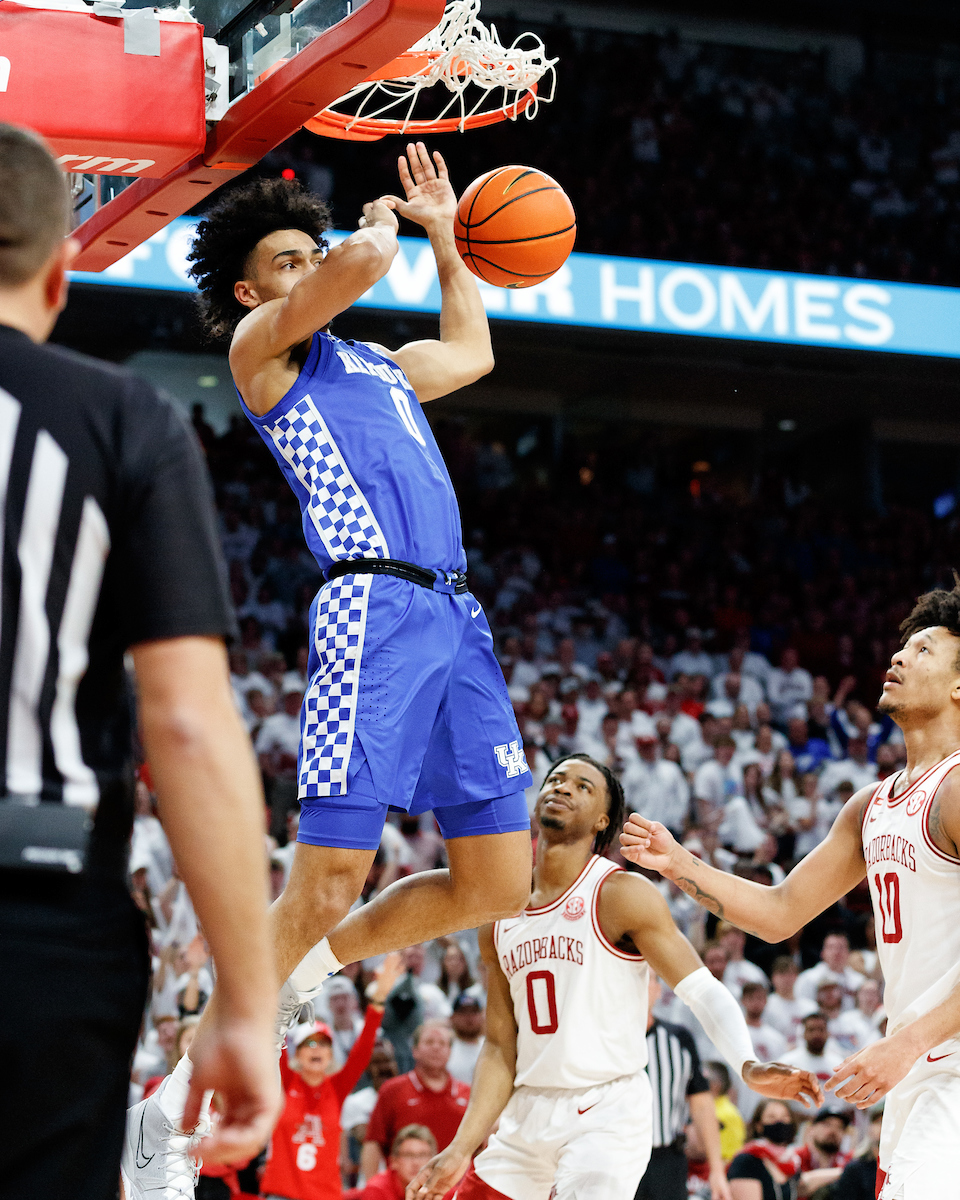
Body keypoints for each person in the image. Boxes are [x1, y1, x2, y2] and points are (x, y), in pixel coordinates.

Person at [135, 144, 534, 1187]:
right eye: (285, 255)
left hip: (457, 615)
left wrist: (448, 238)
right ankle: (169, 1115)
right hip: (372, 606)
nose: (305, 263)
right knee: (323, 882)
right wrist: (359, 244)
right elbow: (348, 273)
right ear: (249, 286)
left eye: (309, 249)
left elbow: (474, 351)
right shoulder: (264, 354)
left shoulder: (382, 365)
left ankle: (309, 968)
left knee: (498, 879)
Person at [0, 125, 278, 1200]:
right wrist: (245, 1007)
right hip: (37, 920)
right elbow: (191, 726)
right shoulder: (123, 420)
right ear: (62, 273)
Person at [622, 577, 960, 1199]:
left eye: (922, 652)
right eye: (901, 647)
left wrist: (905, 1042)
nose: (898, 657)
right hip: (919, 1068)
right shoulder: (872, 806)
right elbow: (780, 914)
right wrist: (679, 863)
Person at [408, 754, 822, 1200]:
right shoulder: (500, 913)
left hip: (606, 1109)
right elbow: (499, 1046)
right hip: (528, 1108)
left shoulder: (620, 894)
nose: (563, 788)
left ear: (603, 820)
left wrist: (747, 1061)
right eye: (556, 779)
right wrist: (461, 1147)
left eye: (583, 786)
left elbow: (700, 989)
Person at [259, 954, 402, 1200]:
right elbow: (274, 1035)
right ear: (298, 1054)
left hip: (324, 1195)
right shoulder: (286, 1081)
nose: (317, 1049)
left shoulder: (336, 1089)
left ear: (331, 1054)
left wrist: (378, 1000)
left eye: (324, 1044)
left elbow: (361, 1053)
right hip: (281, 1194)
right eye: (309, 1044)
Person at [636, 975, 732, 1200]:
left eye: (647, 978)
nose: (640, 985)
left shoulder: (679, 1039)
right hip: (617, 1158)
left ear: (659, 990)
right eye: (635, 977)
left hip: (668, 1159)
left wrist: (716, 1170)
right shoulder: (604, 1038)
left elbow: (702, 1106)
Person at [360, 1019, 469, 1182]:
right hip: (403, 1189)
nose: (436, 1047)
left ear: (450, 1051)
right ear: (414, 1050)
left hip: (454, 1189)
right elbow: (373, 1142)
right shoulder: (392, 1090)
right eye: (429, 1042)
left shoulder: (469, 1094)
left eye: (442, 1043)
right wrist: (372, 1189)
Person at [726, 1100, 801, 1200]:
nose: (779, 1122)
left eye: (785, 1117)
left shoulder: (792, 1160)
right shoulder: (746, 1161)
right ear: (759, 1126)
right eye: (771, 1117)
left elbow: (805, 1183)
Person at [345, 1125, 439, 1200]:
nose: (416, 1163)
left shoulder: (444, 1188)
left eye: (422, 1155)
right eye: (408, 1155)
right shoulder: (377, 1189)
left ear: (434, 1161)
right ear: (393, 1161)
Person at [833, 1106, 883, 1200]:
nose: (885, 1127)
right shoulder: (855, 1169)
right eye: (880, 1122)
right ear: (870, 1127)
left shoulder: (906, 1168)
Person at [447, 993, 485, 1085]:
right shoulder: (445, 1049)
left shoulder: (493, 1046)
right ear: (452, 1018)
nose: (469, 1017)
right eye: (463, 1012)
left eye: (474, 1012)